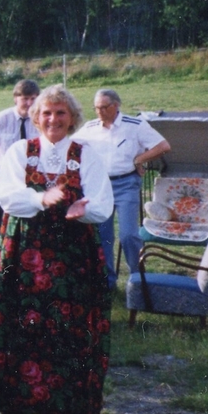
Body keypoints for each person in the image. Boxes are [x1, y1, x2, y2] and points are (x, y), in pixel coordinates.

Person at [0, 85, 113, 414]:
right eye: (46, 113)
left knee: (64, 329)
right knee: (12, 323)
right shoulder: (20, 151)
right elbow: (6, 196)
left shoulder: (85, 154)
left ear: (72, 118)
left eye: (60, 113)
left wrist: (84, 209)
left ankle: (58, 413)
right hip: (22, 253)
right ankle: (11, 411)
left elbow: (102, 202)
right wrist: (42, 198)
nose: (53, 119)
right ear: (36, 117)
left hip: (70, 258)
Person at [73, 88, 171, 287]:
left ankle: (138, 279)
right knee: (103, 236)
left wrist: (139, 159)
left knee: (128, 235)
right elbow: (70, 147)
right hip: (100, 187)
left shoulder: (135, 126)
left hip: (126, 184)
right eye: (96, 108)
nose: (99, 111)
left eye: (104, 107)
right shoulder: (90, 128)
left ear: (116, 106)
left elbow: (163, 146)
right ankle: (107, 282)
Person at [0, 80, 40, 234]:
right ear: (16, 98)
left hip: (29, 174)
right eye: (25, 98)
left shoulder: (39, 119)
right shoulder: (2, 118)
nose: (29, 103)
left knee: (28, 216)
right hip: (2, 172)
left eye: (33, 98)